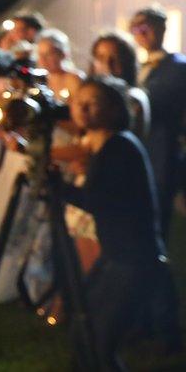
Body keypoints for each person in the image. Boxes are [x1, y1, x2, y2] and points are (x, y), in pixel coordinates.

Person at [60, 76, 174, 370]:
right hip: (117, 256)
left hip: (132, 260)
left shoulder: (120, 148)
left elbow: (97, 201)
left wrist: (56, 187)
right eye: (78, 103)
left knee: (98, 343)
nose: (83, 109)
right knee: (84, 335)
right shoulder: (108, 147)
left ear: (113, 109)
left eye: (92, 103)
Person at [129, 5, 186, 239]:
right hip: (138, 147)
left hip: (163, 148)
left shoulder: (179, 67)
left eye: (147, 27)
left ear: (162, 28)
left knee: (158, 209)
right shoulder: (137, 68)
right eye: (136, 28)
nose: (142, 33)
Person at [89, 32, 149, 141]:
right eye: (101, 58)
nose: (108, 64)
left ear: (127, 62)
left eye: (115, 58)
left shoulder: (133, 97)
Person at [36, 28, 84, 102]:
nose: (43, 59)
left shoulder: (73, 79)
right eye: (40, 54)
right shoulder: (38, 80)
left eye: (48, 54)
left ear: (62, 54)